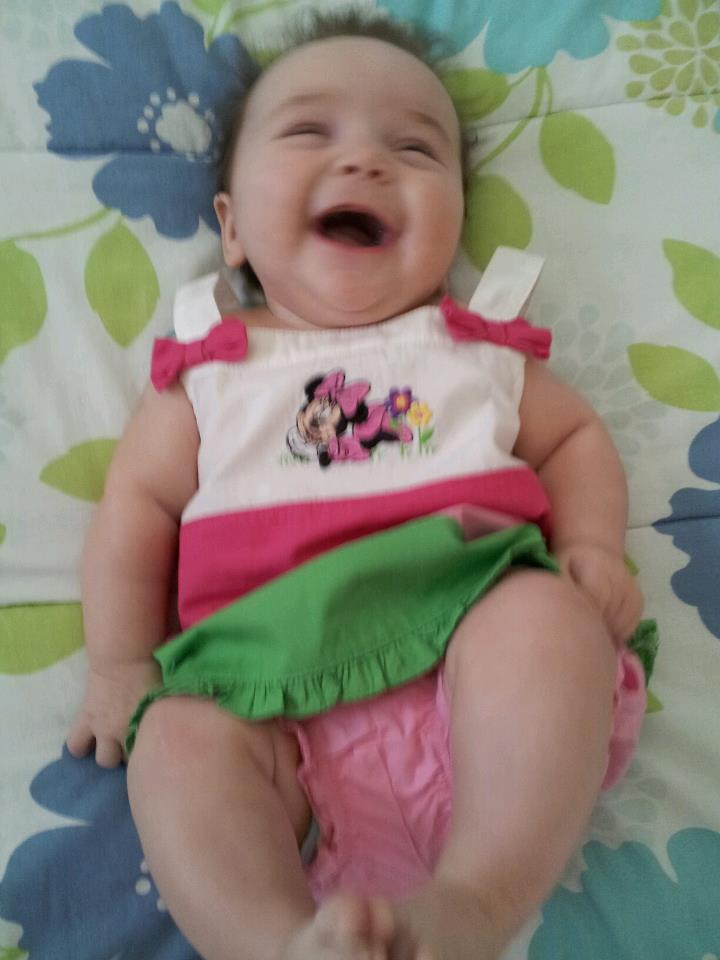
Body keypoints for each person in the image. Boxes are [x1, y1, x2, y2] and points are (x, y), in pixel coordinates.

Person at [67, 10, 653, 960]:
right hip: (267, 692)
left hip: (471, 661)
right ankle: (277, 942)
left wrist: (590, 548)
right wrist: (119, 663)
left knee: (547, 620)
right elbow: (136, 507)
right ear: (231, 229)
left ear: (454, 218)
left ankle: (475, 902)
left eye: (414, 149)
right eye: (309, 131)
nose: (364, 161)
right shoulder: (209, 370)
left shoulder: (474, 349)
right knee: (174, 739)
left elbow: (577, 437)